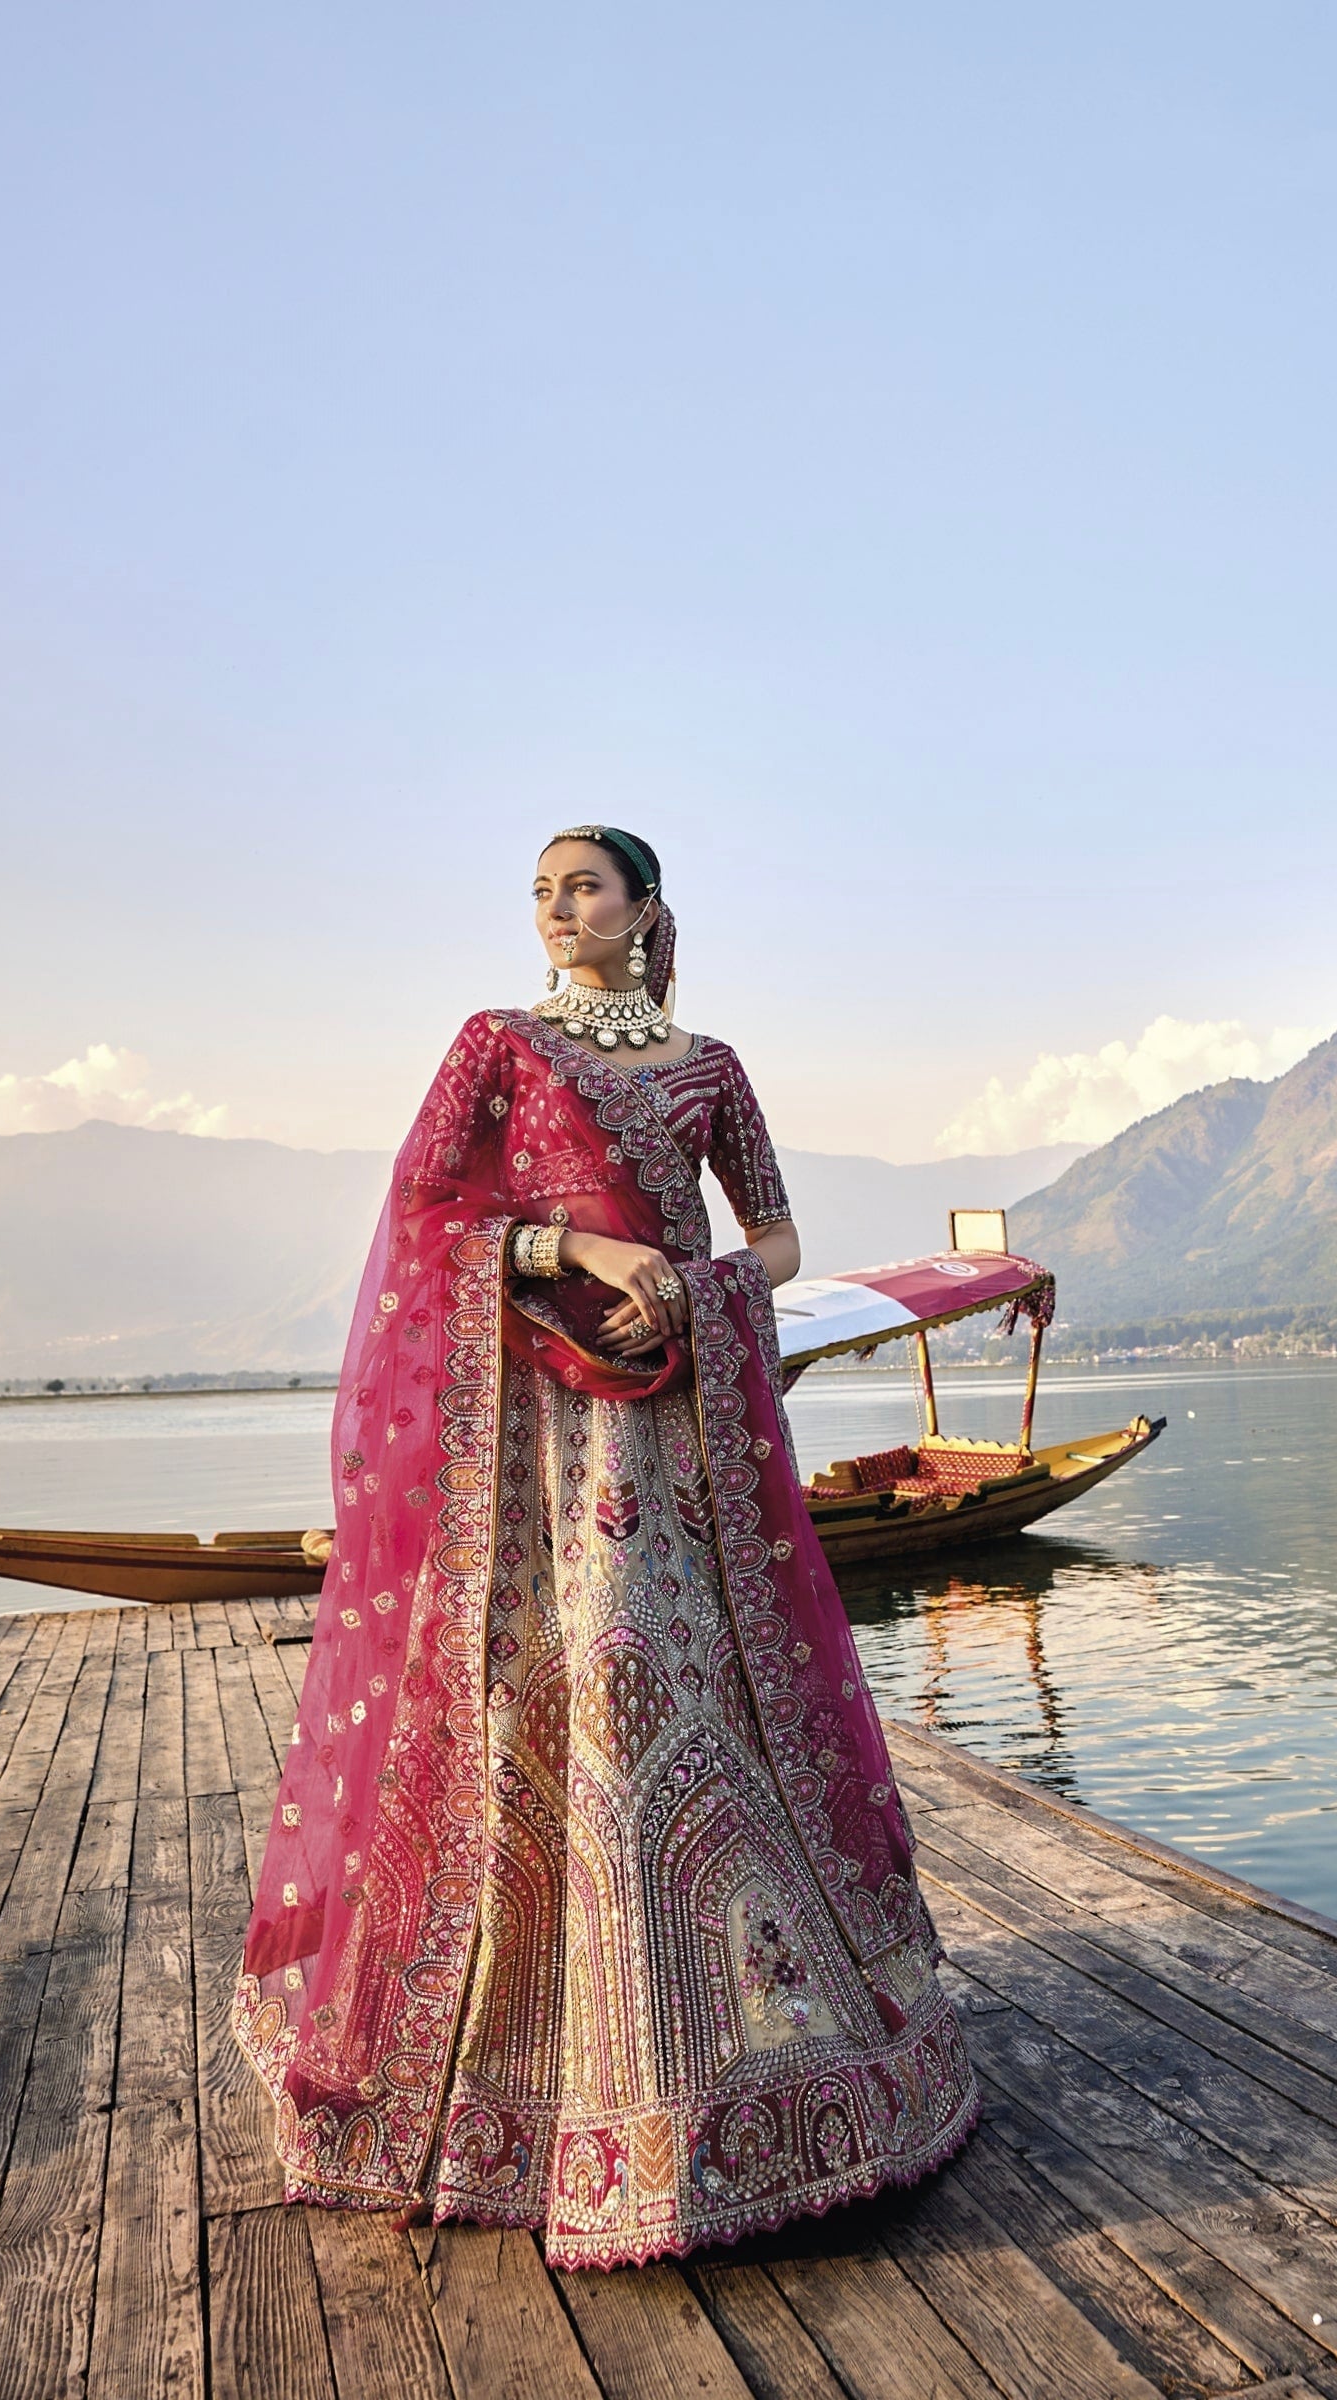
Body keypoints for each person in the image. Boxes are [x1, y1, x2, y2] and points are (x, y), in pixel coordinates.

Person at [234, 825, 979, 2269]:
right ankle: (520, 2065)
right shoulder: (496, 1047)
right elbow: (426, 1218)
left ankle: (742, 2060)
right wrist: (583, 1255)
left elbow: (773, 1241)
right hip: (533, 1437)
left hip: (677, 1428)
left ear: (644, 911)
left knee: (690, 1706)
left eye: (582, 887)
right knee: (543, 1702)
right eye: (540, 891)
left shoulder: (709, 1066)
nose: (555, 910)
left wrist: (691, 1285)